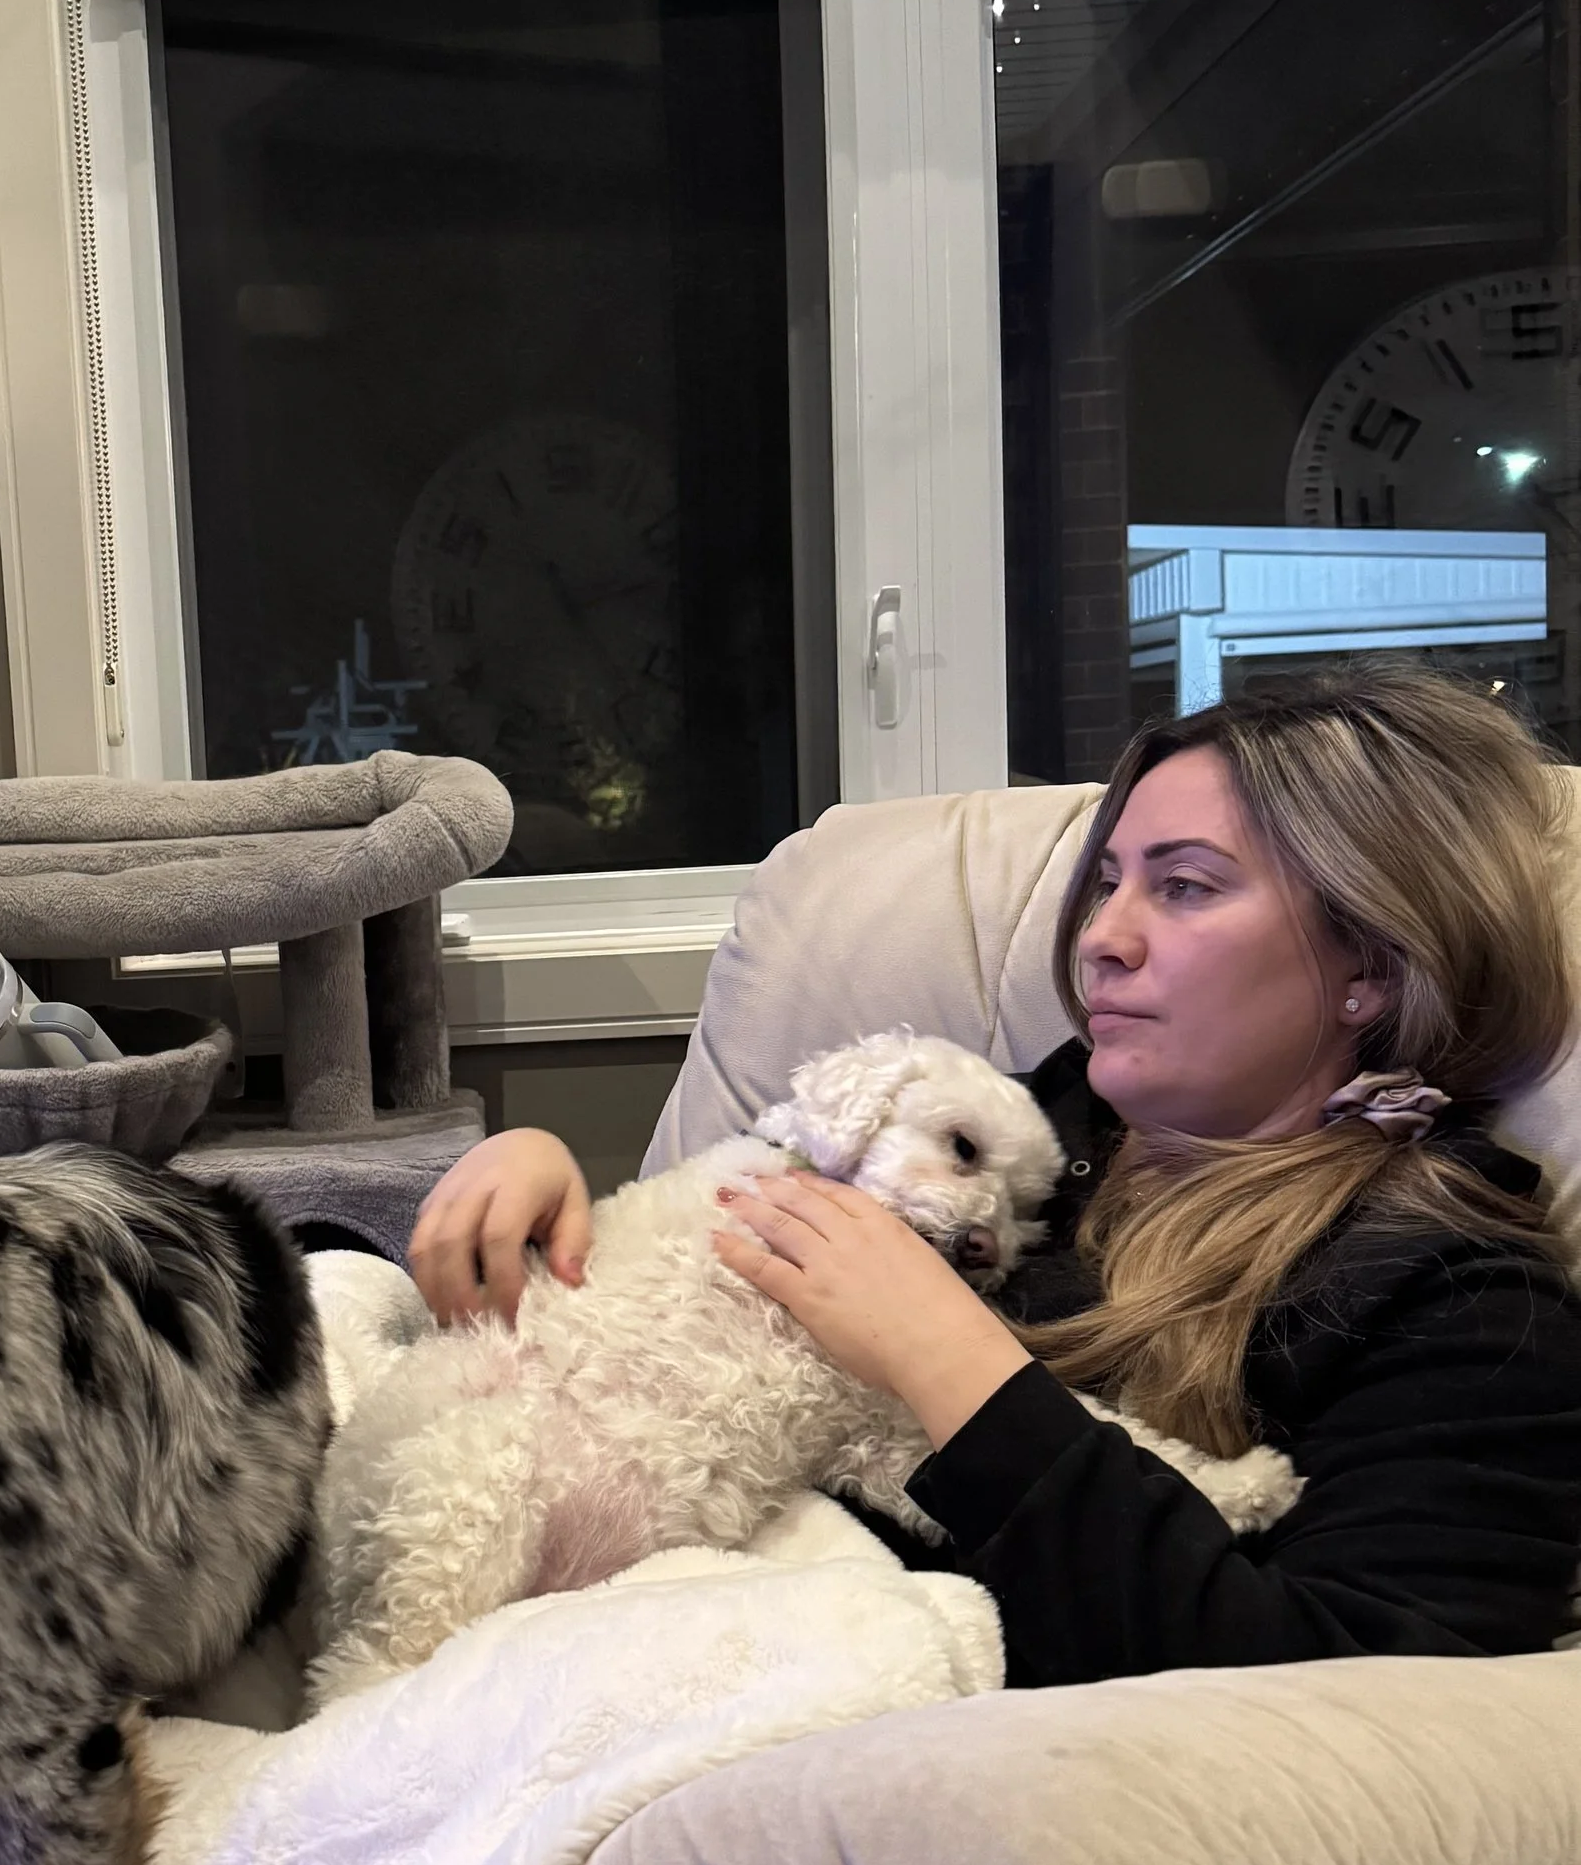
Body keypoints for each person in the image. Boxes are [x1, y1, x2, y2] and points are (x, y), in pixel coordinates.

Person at [406, 667, 1581, 1684]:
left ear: (1370, 962)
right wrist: (542, 1185)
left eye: (1183, 886)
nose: (1101, 936)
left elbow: (1356, 1695)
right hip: (560, 1549)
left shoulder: (1460, 1301)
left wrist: (947, 1359)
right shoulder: (1020, 1135)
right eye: (1108, 881)